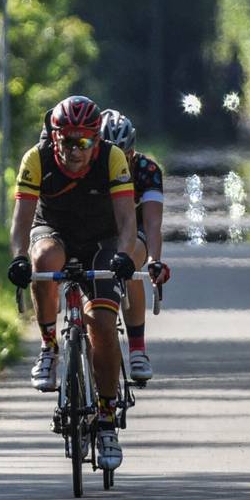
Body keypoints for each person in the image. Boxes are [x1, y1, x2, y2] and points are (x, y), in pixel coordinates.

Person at [7, 95, 138, 470]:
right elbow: (21, 221)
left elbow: (128, 220)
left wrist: (125, 255)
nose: (75, 151)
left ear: (96, 140)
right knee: (44, 261)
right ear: (54, 138)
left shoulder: (112, 158)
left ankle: (107, 417)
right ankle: (49, 347)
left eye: (83, 142)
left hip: (102, 238)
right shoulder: (37, 159)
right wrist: (19, 258)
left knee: (100, 321)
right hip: (55, 230)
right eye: (67, 142)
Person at [99, 108, 171, 384]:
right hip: (98, 230)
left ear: (132, 150)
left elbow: (153, 224)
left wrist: (154, 259)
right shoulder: (87, 167)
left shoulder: (147, 170)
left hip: (135, 230)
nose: (117, 161)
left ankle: (138, 349)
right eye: (110, 155)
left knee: (128, 262)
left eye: (124, 155)